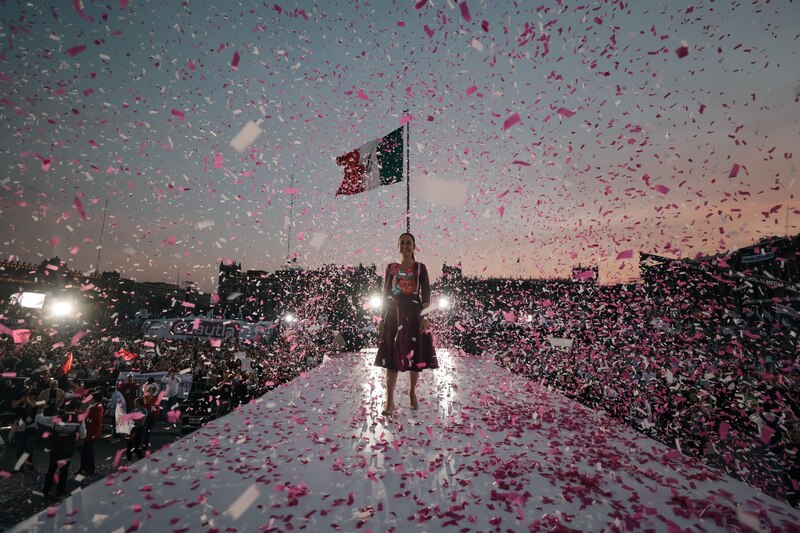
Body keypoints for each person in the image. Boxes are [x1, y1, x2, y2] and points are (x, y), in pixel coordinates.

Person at [374, 232, 438, 416]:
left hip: (414, 313)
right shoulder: (391, 268)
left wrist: (425, 318)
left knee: (414, 353)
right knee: (391, 355)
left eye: (408, 243)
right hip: (394, 313)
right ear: (398, 246)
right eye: (402, 243)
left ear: (414, 246)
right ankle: (389, 401)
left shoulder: (420, 268)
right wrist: (381, 317)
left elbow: (426, 294)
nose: (405, 246)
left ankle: (412, 392)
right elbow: (385, 293)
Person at [37, 406, 86, 499]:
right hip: (69, 448)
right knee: (64, 471)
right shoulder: (79, 419)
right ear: (75, 409)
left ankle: (46, 490)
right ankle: (60, 492)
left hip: (55, 448)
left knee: (51, 469)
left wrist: (40, 409)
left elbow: (39, 419)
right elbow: (83, 435)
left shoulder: (56, 418)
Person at [11, 380, 38, 472]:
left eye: (31, 385)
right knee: (19, 449)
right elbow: (13, 407)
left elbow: (38, 407)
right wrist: (21, 400)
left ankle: (30, 466)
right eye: (27, 385)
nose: (29, 387)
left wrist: (28, 401)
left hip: (31, 426)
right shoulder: (19, 395)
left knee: (29, 449)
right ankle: (19, 467)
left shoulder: (37, 395)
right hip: (20, 427)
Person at [78, 390, 104, 476]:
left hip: (91, 432)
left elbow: (96, 420)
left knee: (88, 451)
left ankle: (89, 469)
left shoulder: (96, 407)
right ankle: (83, 467)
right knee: (85, 451)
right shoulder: (95, 406)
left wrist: (87, 420)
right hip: (90, 431)